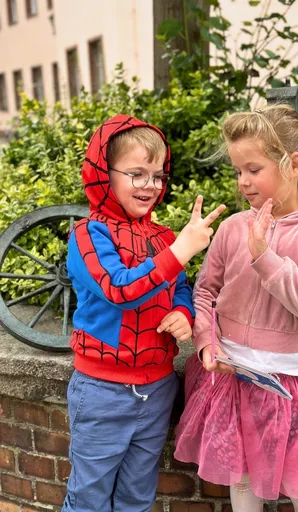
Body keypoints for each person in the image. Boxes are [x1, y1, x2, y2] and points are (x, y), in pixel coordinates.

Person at [174, 105, 298, 511]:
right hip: (231, 377)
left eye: (253, 169)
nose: (243, 181)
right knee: (242, 480)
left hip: (289, 383)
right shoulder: (233, 227)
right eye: (238, 171)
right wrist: (206, 342)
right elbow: (205, 292)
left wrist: (263, 255)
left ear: (293, 165)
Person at [63, 115, 224, 511]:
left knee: (137, 498)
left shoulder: (163, 237)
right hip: (101, 391)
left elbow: (180, 286)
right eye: (136, 174)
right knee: (88, 499)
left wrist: (183, 313)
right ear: (104, 174)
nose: (150, 185)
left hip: (157, 389)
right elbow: (119, 289)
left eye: (157, 176)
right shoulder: (88, 234)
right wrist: (181, 250)